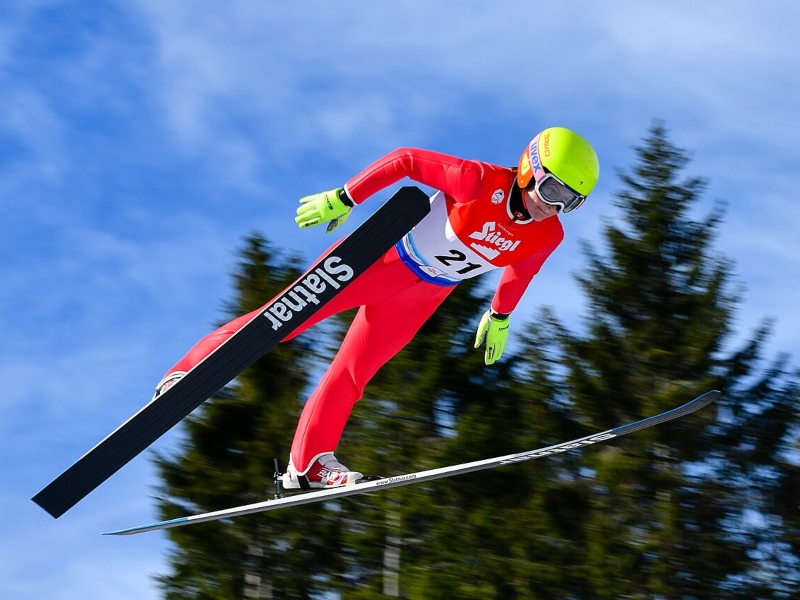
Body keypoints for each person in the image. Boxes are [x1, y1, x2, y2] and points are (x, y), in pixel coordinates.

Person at [153, 127, 600, 490]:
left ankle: (308, 465)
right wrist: (345, 196)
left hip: (424, 294)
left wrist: (500, 315)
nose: (553, 206)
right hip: (380, 261)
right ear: (530, 168)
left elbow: (521, 272)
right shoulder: (479, 181)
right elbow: (406, 160)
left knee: (354, 372)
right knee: (282, 320)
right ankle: (189, 370)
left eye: (570, 202)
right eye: (552, 189)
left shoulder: (548, 234)